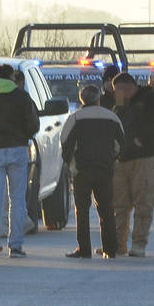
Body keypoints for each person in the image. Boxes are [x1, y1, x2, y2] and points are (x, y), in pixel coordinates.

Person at [0, 63, 40, 258]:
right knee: (17, 199)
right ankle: (16, 246)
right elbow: (33, 124)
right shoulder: (22, 97)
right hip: (18, 150)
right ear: (11, 77)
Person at [60, 84, 124, 258]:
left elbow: (65, 142)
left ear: (82, 99)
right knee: (106, 209)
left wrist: (71, 164)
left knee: (82, 210)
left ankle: (84, 249)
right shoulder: (111, 117)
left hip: (82, 170)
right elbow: (121, 143)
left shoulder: (75, 118)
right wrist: (112, 159)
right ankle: (110, 249)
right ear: (98, 99)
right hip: (104, 169)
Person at [110, 72, 154, 257]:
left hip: (145, 159)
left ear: (128, 87)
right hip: (122, 159)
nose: (115, 94)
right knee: (119, 205)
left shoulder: (150, 100)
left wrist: (141, 139)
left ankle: (138, 244)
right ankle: (118, 244)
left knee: (144, 204)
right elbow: (116, 120)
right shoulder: (120, 102)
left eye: (118, 90)